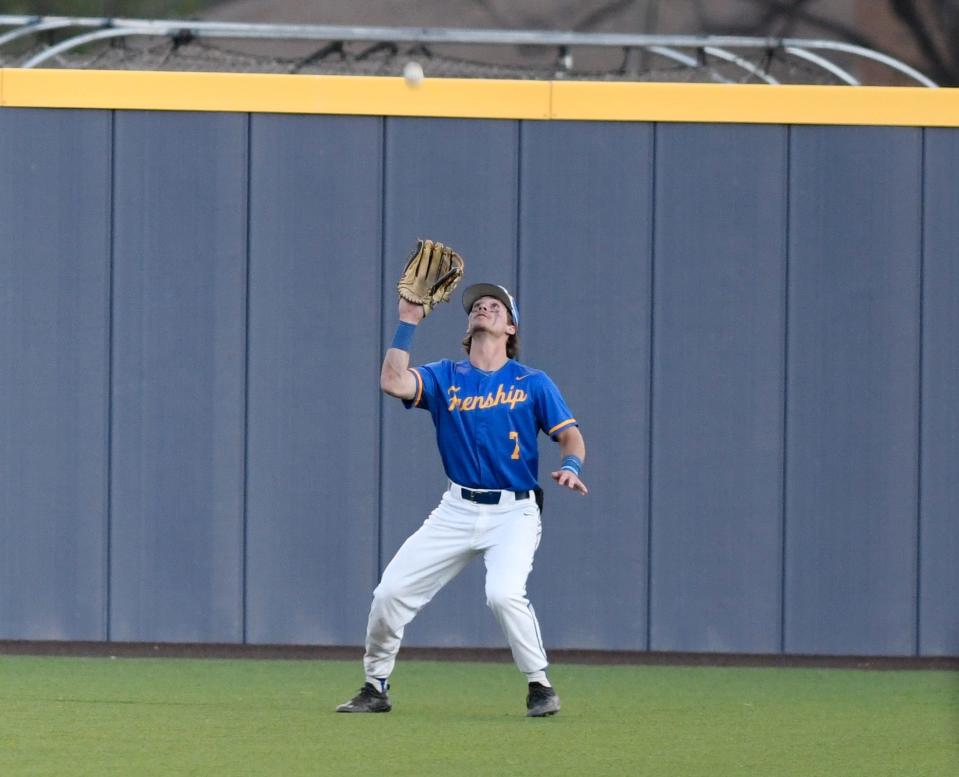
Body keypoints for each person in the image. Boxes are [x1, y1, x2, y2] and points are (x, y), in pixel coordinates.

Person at [336, 282, 588, 717]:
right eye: (477, 305)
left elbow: (571, 436)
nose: (483, 308)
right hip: (457, 508)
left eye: (496, 306)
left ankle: (539, 685)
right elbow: (393, 381)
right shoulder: (445, 376)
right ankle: (375, 686)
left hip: (515, 510)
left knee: (503, 595)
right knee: (389, 593)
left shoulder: (532, 382)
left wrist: (572, 465)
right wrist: (408, 321)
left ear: (511, 327)